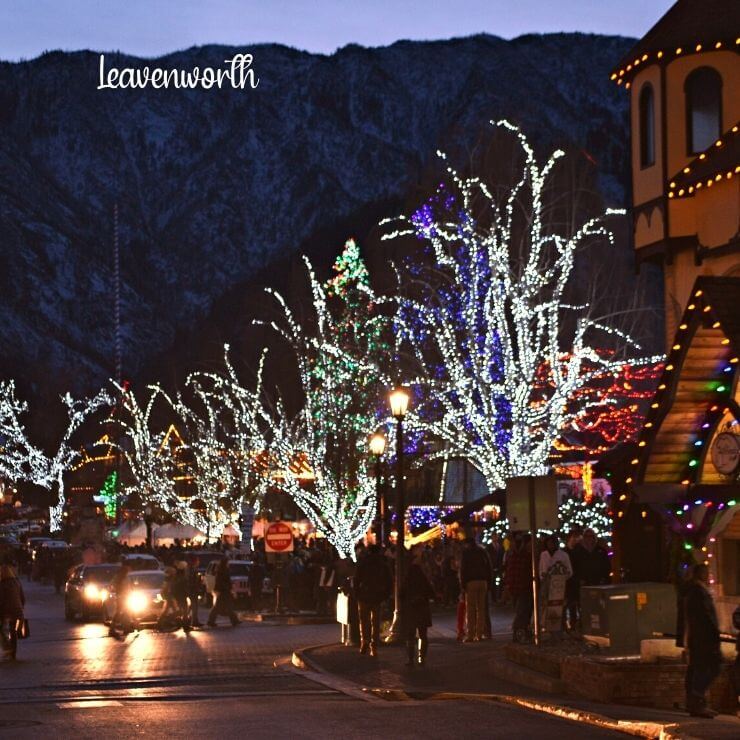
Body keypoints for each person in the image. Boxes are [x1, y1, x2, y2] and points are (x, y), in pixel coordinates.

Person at [683, 563, 721, 718]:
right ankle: (697, 699)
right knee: (711, 667)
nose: (708, 575)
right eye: (706, 572)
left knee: (701, 668)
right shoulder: (698, 593)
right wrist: (714, 634)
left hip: (700, 639)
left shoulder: (696, 592)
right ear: (701, 574)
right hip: (703, 639)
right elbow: (705, 617)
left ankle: (695, 701)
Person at [354, 544, 392, 657]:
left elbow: (357, 578)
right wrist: (386, 595)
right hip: (377, 596)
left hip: (364, 594)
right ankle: (374, 645)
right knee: (375, 622)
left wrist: (357, 593)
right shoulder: (383, 564)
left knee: (364, 620)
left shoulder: (363, 563)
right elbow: (389, 580)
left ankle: (364, 641)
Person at [401, 545, 434, 668]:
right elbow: (430, 591)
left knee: (410, 635)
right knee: (423, 634)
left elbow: (401, 593)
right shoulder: (423, 576)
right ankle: (422, 658)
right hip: (422, 607)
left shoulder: (407, 576)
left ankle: (410, 659)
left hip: (410, 608)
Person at [459, 537, 491, 642]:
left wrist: (463, 585)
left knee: (471, 609)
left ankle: (470, 634)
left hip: (471, 582)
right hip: (483, 581)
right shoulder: (482, 551)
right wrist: (488, 581)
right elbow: (489, 567)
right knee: (481, 608)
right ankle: (480, 634)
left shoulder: (466, 553)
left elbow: (463, 569)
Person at [504, 533, 534, 642]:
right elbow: (512, 572)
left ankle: (521, 632)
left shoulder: (514, 555)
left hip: (519, 587)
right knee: (522, 612)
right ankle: (519, 633)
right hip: (522, 587)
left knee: (523, 612)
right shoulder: (522, 556)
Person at [0, 563, 25, 661]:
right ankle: (13, 652)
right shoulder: (17, 582)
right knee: (12, 630)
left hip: (7, 611)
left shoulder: (2, 584)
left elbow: (1, 600)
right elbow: (22, 598)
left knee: (2, 629)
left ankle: (7, 648)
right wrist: (21, 607)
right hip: (17, 610)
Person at [207, 557, 239, 627]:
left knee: (225, 606)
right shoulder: (222, 571)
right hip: (223, 591)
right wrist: (227, 588)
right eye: (227, 563)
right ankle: (234, 620)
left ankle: (235, 620)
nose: (228, 564)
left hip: (224, 590)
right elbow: (221, 582)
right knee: (220, 606)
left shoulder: (222, 571)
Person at [108, 563, 131, 637]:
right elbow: (112, 585)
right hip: (121, 597)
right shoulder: (120, 578)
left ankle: (126, 627)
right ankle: (112, 629)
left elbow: (128, 587)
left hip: (124, 597)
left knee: (126, 612)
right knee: (119, 613)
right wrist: (116, 591)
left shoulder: (123, 577)